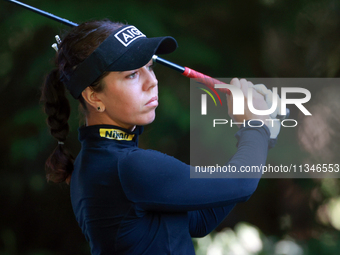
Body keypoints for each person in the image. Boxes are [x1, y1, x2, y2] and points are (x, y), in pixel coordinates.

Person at [41, 19, 276, 255]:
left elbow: (201, 220)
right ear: (93, 96)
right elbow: (241, 183)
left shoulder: (99, 160)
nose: (151, 81)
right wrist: (255, 126)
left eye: (150, 66)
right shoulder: (128, 167)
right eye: (132, 74)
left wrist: (260, 132)